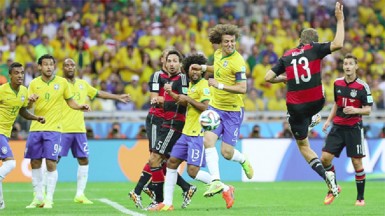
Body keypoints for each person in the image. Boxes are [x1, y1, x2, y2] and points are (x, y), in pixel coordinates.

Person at [265, 2, 345, 199]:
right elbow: (338, 44)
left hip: (296, 107)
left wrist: (282, 78)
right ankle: (313, 118)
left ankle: (326, 176)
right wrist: (340, 20)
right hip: (317, 101)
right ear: (314, 42)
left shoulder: (287, 56)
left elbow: (267, 77)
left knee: (303, 145)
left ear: (300, 40)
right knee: (325, 87)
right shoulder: (315, 49)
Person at [191, 24, 253, 197]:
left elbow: (242, 88)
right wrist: (203, 68)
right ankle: (216, 181)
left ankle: (243, 160)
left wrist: (219, 85)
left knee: (226, 153)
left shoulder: (238, 62)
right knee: (208, 141)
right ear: (220, 42)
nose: (230, 44)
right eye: (226, 41)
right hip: (216, 108)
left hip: (233, 111)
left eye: (232, 41)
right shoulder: (218, 54)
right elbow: (218, 68)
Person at [129, 49, 193, 209]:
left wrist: (167, 97)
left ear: (180, 63)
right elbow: (154, 100)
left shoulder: (183, 79)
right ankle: (178, 191)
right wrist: (166, 99)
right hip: (161, 121)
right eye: (168, 60)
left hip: (174, 123)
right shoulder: (158, 76)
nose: (171, 63)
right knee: (159, 160)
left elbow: (185, 101)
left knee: (155, 159)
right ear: (163, 61)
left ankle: (156, 198)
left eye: (174, 61)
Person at [59, 58, 130, 204]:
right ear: (63, 68)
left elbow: (98, 93)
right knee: (53, 160)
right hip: (61, 129)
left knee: (84, 159)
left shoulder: (82, 84)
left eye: (72, 64)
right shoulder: (58, 84)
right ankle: (44, 195)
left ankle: (80, 194)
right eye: (67, 65)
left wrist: (117, 97)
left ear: (76, 68)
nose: (70, 67)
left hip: (79, 129)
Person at [25, 54, 90, 209]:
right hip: (35, 128)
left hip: (54, 129)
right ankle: (38, 198)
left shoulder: (62, 83)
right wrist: (30, 101)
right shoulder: (33, 83)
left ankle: (49, 199)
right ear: (39, 67)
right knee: (35, 162)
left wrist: (81, 106)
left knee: (51, 162)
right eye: (45, 64)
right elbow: (26, 108)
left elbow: (70, 102)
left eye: (51, 64)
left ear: (54, 67)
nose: (48, 67)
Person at [320, 54, 373, 206]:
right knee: (324, 159)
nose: (348, 66)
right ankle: (334, 187)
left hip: (353, 128)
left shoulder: (362, 86)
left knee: (357, 163)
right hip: (337, 126)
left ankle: (360, 198)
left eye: (351, 64)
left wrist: (355, 110)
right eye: (345, 64)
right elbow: (337, 104)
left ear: (356, 66)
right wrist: (328, 121)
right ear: (343, 66)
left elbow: (368, 110)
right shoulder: (337, 83)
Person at [0, 62, 45, 210]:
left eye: (22, 73)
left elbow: (22, 111)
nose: (20, 76)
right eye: (16, 73)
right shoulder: (2, 90)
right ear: (10, 75)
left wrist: (36, 117)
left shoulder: (24, 91)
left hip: (5, 134)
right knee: (10, 163)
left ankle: (0, 204)